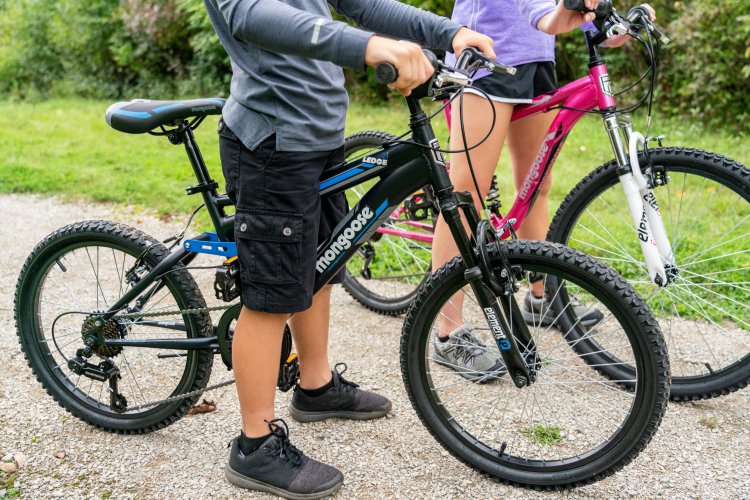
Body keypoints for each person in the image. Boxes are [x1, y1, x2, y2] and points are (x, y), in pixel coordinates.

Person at [202, 0, 494, 497]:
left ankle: (315, 387)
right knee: (271, 295)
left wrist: (448, 32)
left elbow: (361, 3)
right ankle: (255, 445)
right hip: (273, 142)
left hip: (319, 134)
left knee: (320, 266)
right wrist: (369, 46)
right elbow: (251, 16)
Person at [430, 0, 656, 381]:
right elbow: (537, 8)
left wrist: (606, 21)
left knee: (535, 185)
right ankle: (448, 332)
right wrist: (551, 18)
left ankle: (542, 296)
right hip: (485, 57)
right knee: (465, 198)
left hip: (536, 61)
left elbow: (572, 11)